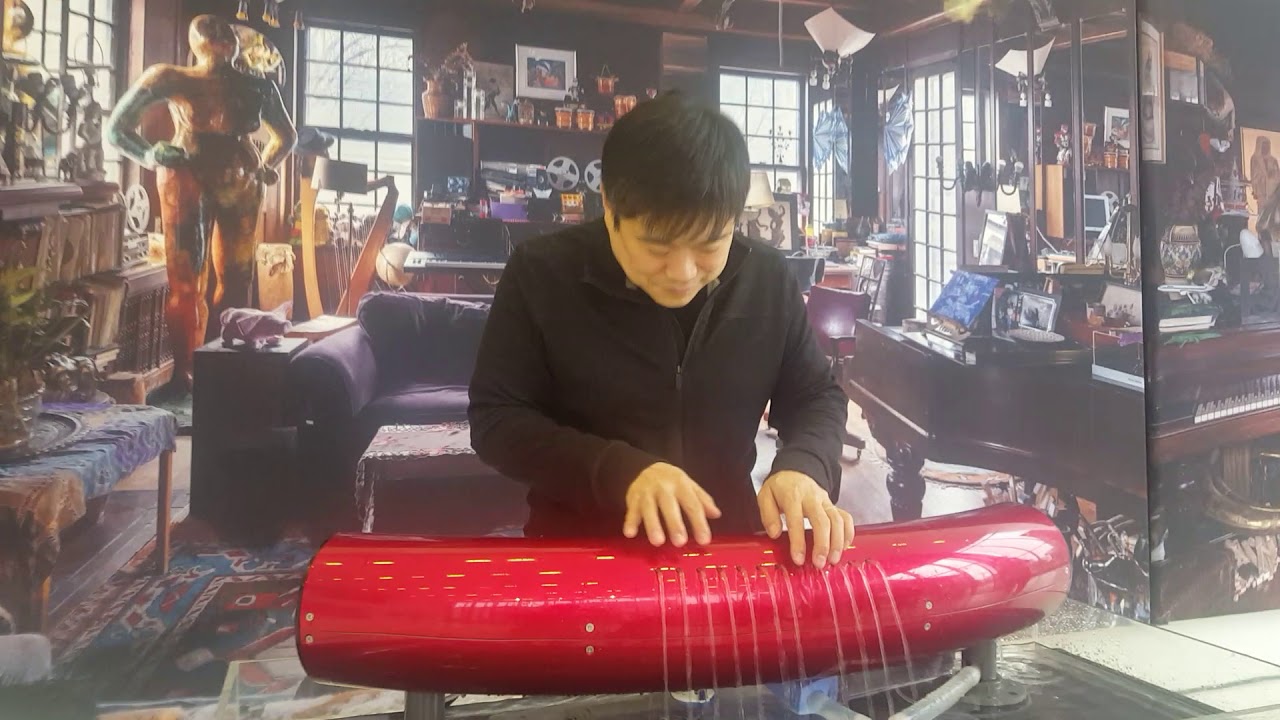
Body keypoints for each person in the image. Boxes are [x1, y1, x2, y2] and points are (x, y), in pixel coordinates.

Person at [468, 91, 852, 567]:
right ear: (609, 204)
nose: (684, 271)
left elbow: (816, 395)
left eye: (710, 243)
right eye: (657, 245)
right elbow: (497, 419)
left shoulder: (767, 277)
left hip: (725, 552)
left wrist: (804, 466)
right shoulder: (541, 274)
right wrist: (619, 472)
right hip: (579, 553)